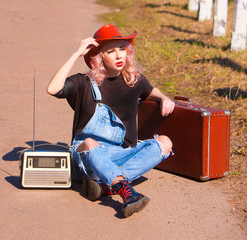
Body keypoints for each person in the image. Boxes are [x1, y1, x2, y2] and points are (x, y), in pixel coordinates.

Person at [46, 24, 175, 218]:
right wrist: (76, 54)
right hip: (88, 158)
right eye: (111, 51)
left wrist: (164, 97)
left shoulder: (134, 80)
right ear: (99, 57)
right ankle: (125, 192)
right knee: (89, 142)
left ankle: (106, 186)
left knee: (165, 143)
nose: (119, 56)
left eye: (122, 49)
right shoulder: (83, 83)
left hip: (120, 154)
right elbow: (53, 89)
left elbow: (150, 91)